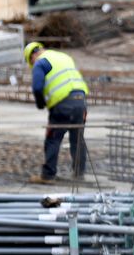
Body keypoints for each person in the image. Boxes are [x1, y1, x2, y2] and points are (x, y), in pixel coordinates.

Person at [25, 41, 89, 184]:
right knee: (77, 139)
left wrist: (40, 103)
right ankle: (79, 174)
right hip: (81, 101)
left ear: (32, 56)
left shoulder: (41, 62)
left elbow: (37, 87)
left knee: (53, 138)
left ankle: (48, 175)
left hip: (63, 104)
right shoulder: (64, 57)